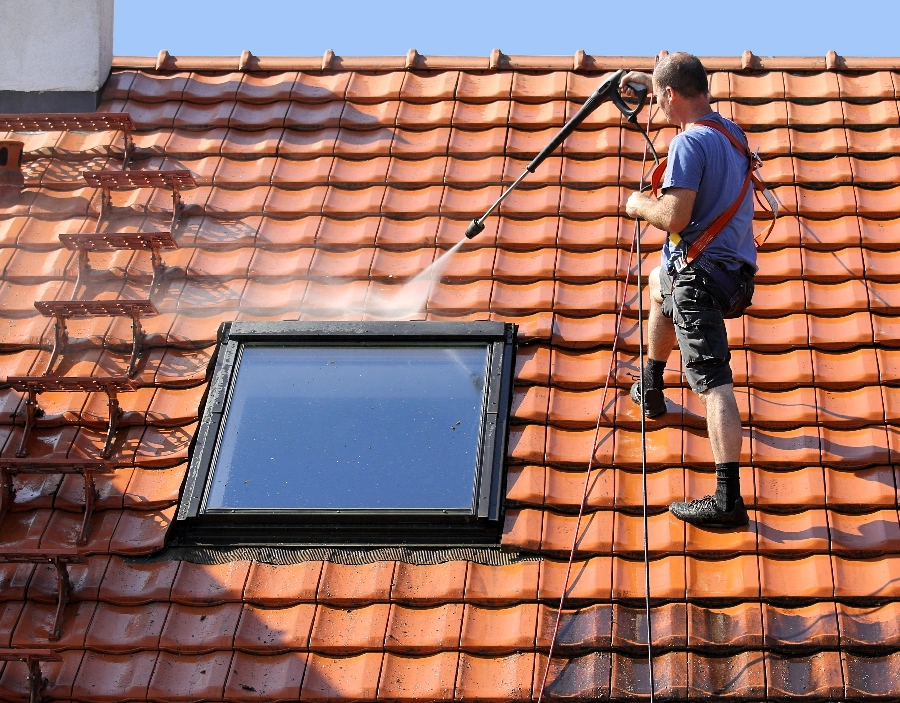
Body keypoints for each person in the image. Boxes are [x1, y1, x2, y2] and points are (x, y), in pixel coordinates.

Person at [619, 53, 757, 528]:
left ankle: (728, 498)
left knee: (712, 383)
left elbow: (675, 218)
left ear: (671, 95)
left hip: (703, 277)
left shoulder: (688, 143)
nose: (654, 103)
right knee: (659, 283)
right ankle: (652, 385)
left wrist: (639, 205)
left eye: (658, 96)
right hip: (735, 273)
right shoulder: (731, 134)